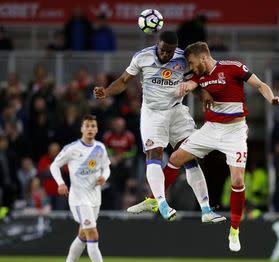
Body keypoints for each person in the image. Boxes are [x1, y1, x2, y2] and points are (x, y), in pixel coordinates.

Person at [93, 31, 224, 223]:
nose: (166, 55)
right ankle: (162, 203)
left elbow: (197, 79)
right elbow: (122, 82)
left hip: (177, 111)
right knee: (154, 153)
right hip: (152, 113)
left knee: (190, 158)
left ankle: (206, 210)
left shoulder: (183, 58)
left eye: (170, 52)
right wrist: (106, 91)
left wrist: (203, 94)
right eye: (163, 51)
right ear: (158, 45)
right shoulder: (142, 57)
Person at [168, 42, 279, 252]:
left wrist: (272, 98)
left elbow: (260, 85)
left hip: (235, 132)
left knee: (238, 180)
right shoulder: (198, 75)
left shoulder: (233, 68)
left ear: (203, 58)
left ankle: (234, 230)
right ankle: (154, 199)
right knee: (176, 158)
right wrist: (195, 90)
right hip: (211, 129)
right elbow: (193, 86)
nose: (191, 67)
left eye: (193, 63)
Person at [50, 114, 122, 262]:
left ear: (96, 129)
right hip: (79, 199)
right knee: (93, 235)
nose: (90, 129)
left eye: (93, 126)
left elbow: (107, 167)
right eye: (87, 126)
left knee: (83, 236)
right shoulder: (72, 148)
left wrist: (104, 177)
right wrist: (60, 183)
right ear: (82, 129)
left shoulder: (100, 148)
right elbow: (54, 165)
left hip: (95, 199)